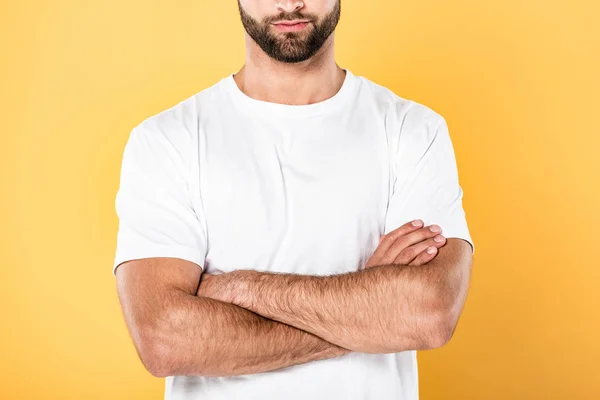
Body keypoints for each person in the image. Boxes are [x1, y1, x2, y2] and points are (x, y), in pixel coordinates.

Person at [112, 1, 475, 399]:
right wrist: (367, 311)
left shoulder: (413, 131)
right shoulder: (167, 141)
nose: (289, 3)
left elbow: (428, 314)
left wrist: (242, 289)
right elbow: (165, 340)